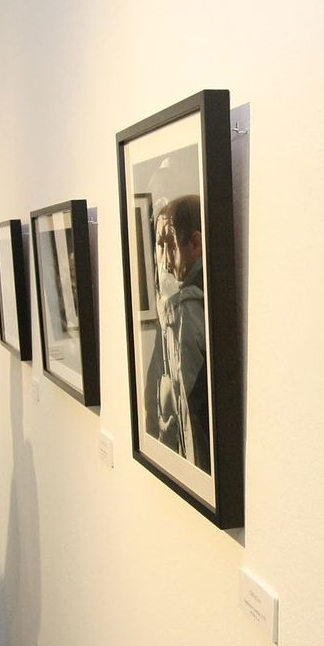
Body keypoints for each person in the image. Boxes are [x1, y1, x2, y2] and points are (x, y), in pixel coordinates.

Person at [142, 194, 210, 470]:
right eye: (159, 247)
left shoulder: (189, 308)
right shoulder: (183, 303)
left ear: (196, 244)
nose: (164, 260)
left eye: (169, 246)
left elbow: (191, 404)